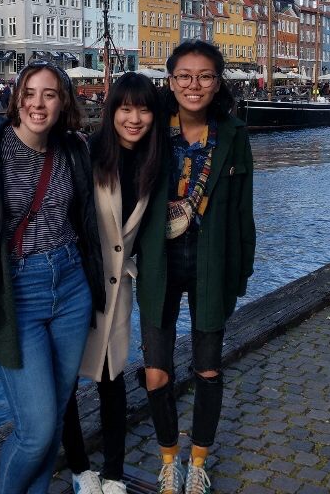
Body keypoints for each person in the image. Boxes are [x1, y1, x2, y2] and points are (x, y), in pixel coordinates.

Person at [0, 60, 106, 494]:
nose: (38, 103)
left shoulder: (72, 149)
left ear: (62, 101)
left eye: (49, 94)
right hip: (18, 294)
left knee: (56, 415)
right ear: (16, 98)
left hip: (70, 285)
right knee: (36, 429)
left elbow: (85, 215)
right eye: (29, 93)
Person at [136, 40, 256, 494]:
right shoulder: (148, 132)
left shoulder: (233, 135)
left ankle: (198, 462)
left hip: (211, 262)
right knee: (156, 370)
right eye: (184, 76)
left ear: (217, 82)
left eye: (205, 76)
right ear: (170, 82)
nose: (194, 85)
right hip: (159, 265)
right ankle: (169, 460)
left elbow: (244, 211)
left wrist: (241, 271)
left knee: (207, 368)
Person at [61, 73, 165, 494]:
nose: (134, 117)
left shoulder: (156, 162)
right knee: (66, 379)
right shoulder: (88, 154)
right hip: (77, 282)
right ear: (112, 111)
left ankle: (115, 473)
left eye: (143, 108)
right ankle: (80, 468)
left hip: (119, 286)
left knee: (112, 380)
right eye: (126, 108)